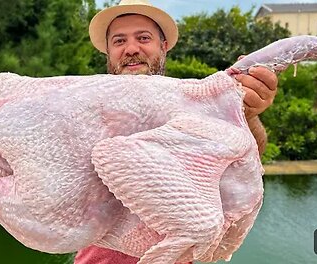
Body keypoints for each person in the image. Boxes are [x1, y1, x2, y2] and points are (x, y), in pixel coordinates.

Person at [75, 0, 278, 263]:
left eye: (143, 38)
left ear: (164, 46)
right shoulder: (86, 107)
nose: (131, 49)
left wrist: (248, 115)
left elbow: (247, 156)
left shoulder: (191, 102)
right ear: (108, 52)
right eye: (119, 41)